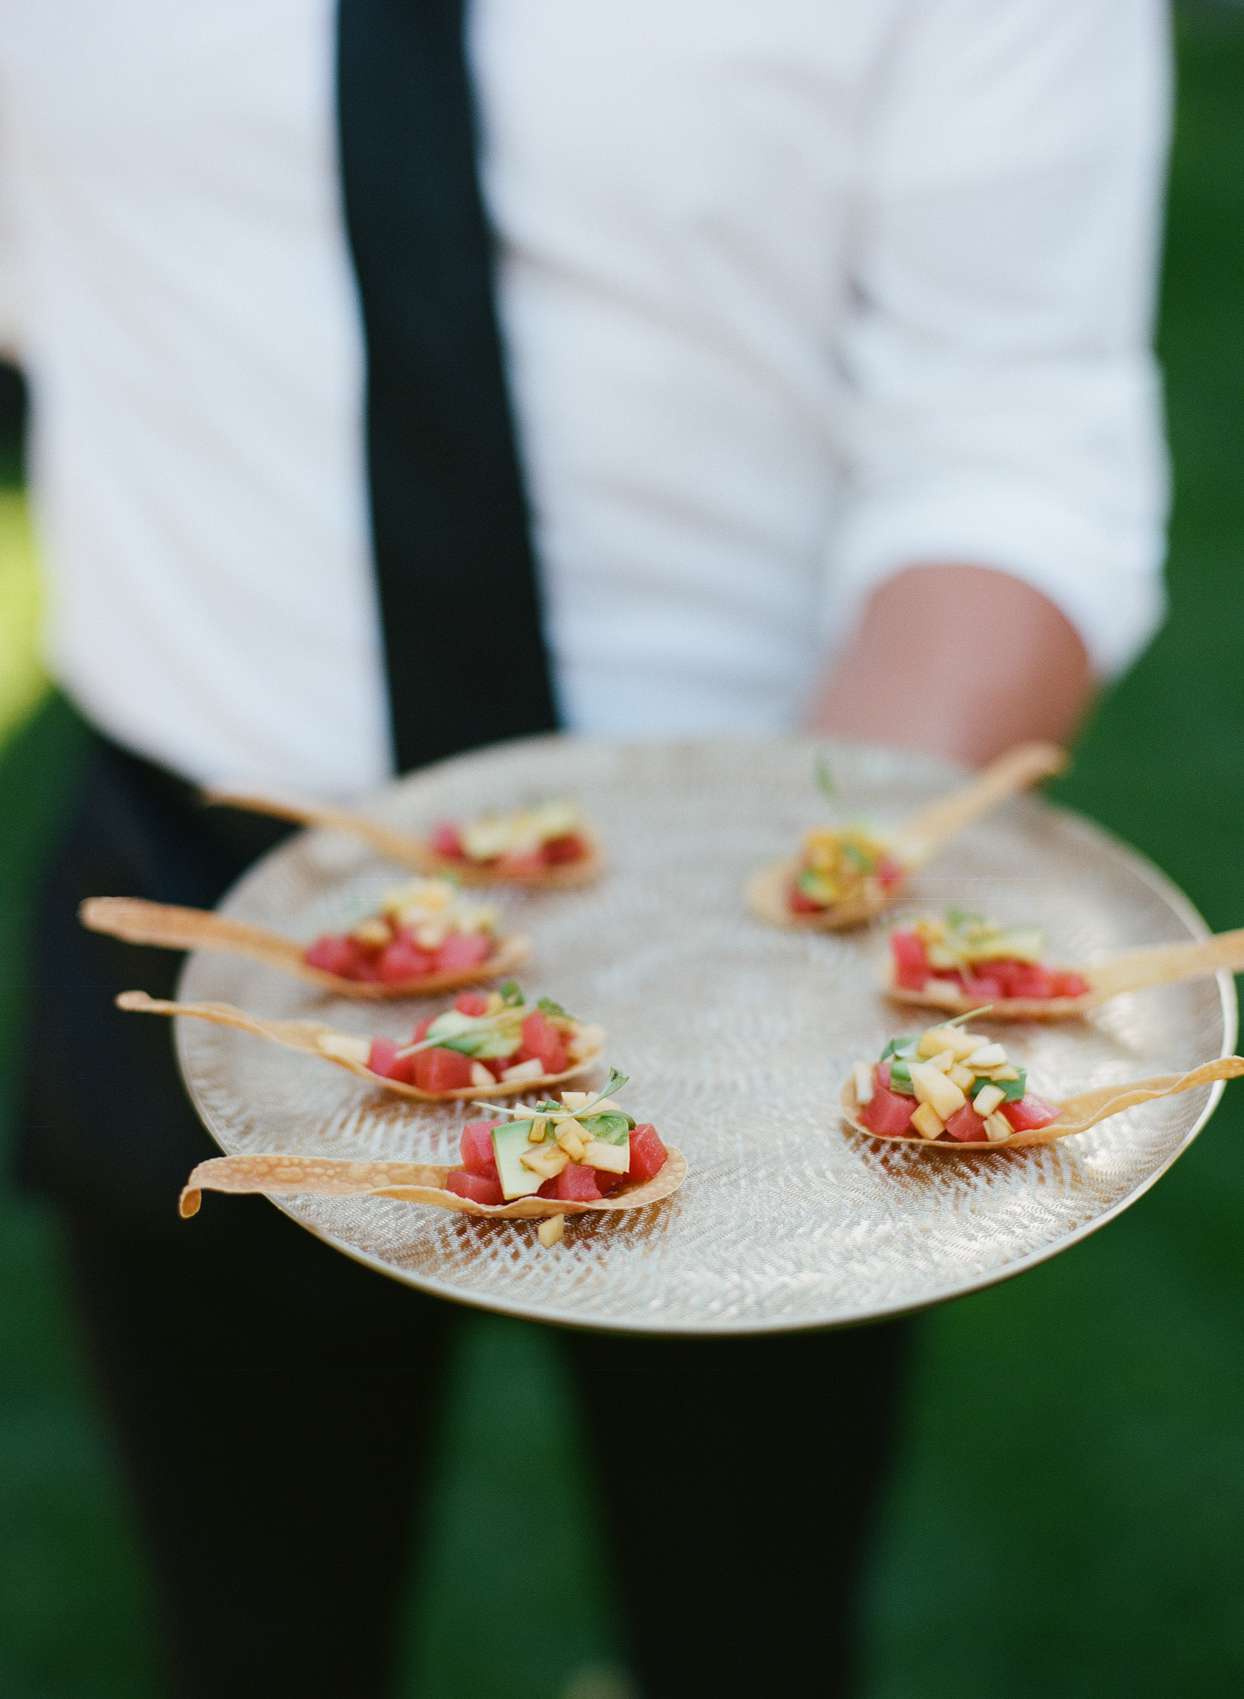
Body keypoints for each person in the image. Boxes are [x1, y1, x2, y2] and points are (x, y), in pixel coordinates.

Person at [2, 3, 1171, 1694]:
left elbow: (1014, 423)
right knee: (251, 1631)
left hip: (774, 920)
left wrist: (803, 924)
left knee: (751, 1630)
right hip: (206, 865)